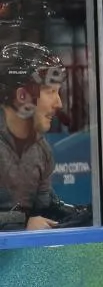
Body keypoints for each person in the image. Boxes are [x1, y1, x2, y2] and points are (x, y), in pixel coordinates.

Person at [0, 42, 87, 231]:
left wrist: (88, 216)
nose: (59, 104)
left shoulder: (41, 150)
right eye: (51, 92)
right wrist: (23, 224)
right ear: (22, 96)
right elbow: (30, 221)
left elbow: (46, 207)